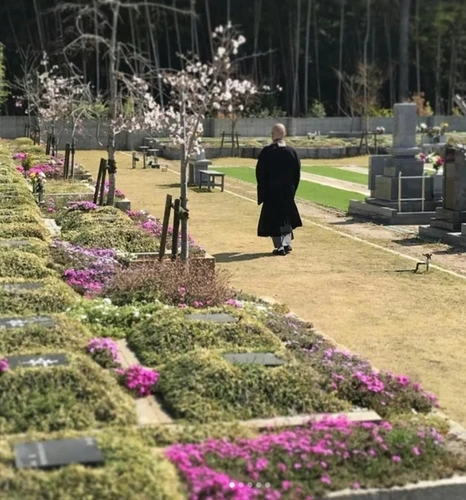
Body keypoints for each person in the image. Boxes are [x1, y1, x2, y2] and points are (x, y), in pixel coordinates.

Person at [256, 123, 302, 256]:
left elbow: (260, 173)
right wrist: (292, 190)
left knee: (274, 221)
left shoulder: (266, 152)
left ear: (272, 135)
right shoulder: (292, 152)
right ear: (284, 134)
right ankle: (286, 244)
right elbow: (297, 174)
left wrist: (263, 190)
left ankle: (280, 247)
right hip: (287, 192)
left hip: (271, 192)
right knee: (286, 220)